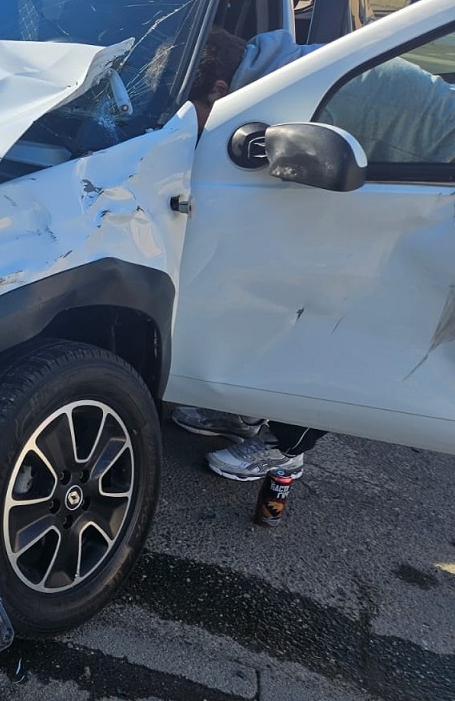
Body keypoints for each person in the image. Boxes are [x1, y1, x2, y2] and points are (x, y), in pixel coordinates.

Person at [177, 25, 455, 480]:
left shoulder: (292, 98)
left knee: (339, 314)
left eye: (194, 113)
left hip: (437, 190)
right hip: (401, 167)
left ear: (220, 89)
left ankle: (287, 446)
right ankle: (244, 407)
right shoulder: (274, 70)